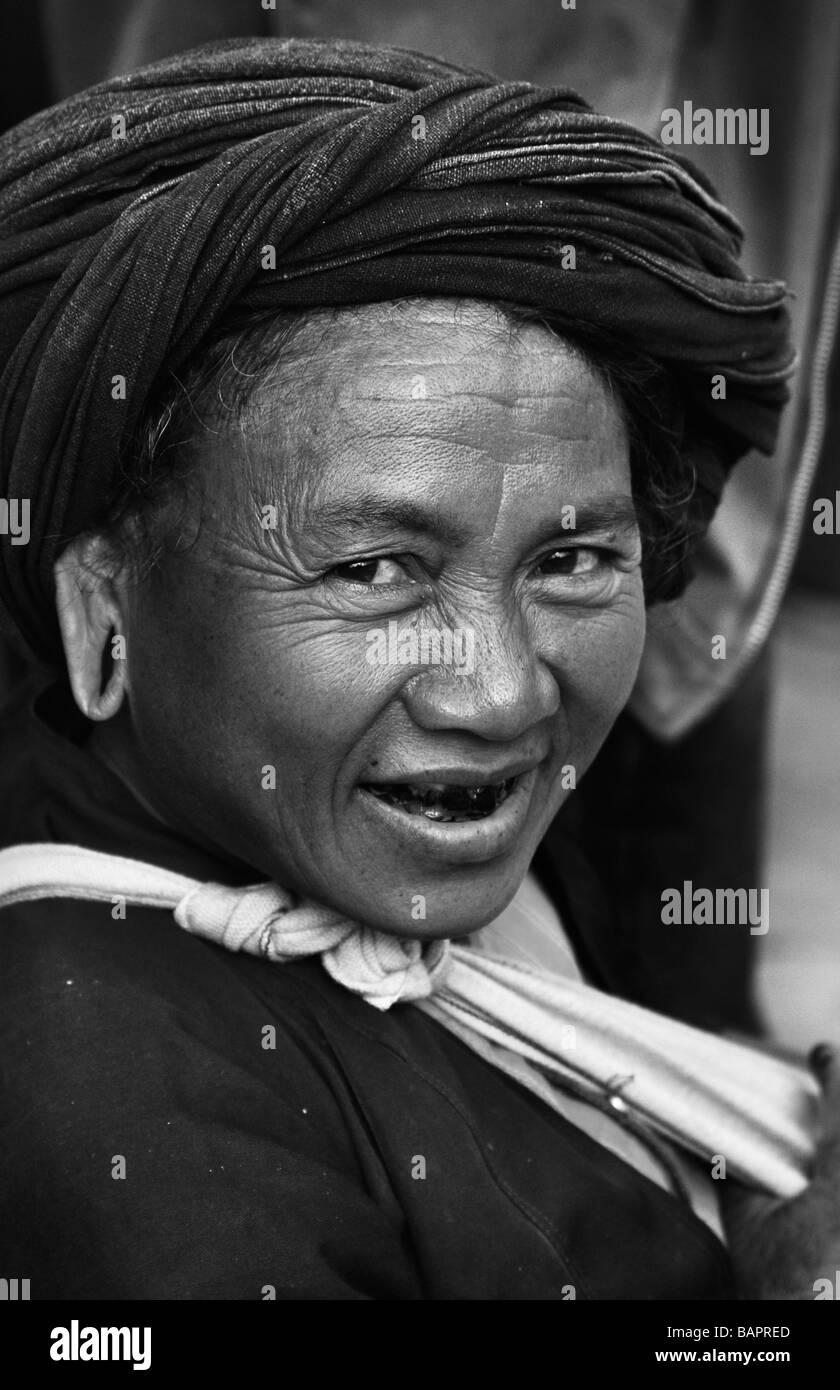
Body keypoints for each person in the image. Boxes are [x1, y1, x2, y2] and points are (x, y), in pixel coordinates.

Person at [0, 38, 832, 1301]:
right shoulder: (108, 1105)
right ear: (99, 601)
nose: (500, 692)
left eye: (572, 560)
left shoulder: (422, 827)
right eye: (377, 569)